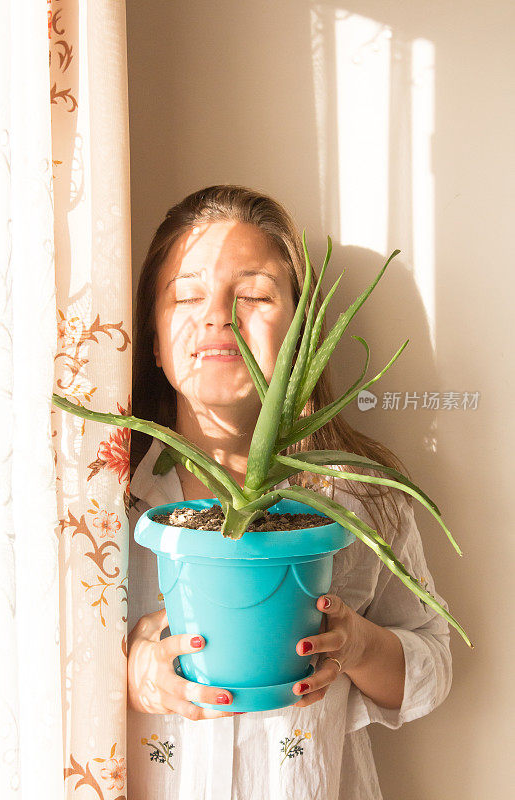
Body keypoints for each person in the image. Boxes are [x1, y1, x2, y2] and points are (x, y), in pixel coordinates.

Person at [126, 185, 452, 799]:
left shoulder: (358, 499)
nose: (218, 315)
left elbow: (432, 666)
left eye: (253, 294)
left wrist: (359, 646)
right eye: (188, 295)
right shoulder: (102, 503)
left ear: (302, 333)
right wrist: (135, 675)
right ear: (151, 335)